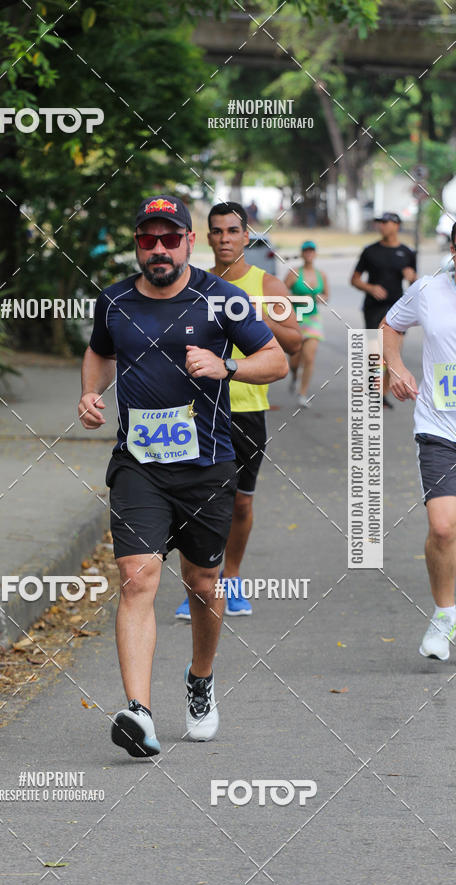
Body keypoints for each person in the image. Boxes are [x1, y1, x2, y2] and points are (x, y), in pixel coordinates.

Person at [79, 195, 288, 757]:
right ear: (138, 245)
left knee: (202, 584)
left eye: (170, 239)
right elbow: (99, 352)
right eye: (149, 239)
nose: (159, 249)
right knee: (137, 577)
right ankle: (139, 713)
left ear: (189, 242)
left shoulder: (223, 298)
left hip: (207, 466)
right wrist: (91, 393)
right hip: (138, 465)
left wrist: (228, 365)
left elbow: (276, 360)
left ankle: (200, 679)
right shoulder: (114, 300)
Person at [175, 201, 301, 618]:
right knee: (197, 501)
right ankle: (199, 583)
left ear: (247, 236)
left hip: (247, 410)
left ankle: (232, 578)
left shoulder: (267, 284)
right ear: (205, 237)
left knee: (241, 503)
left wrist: (253, 313)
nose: (225, 239)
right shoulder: (192, 283)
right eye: (217, 231)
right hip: (199, 410)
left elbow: (294, 342)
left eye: (233, 231)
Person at [381, 220, 456, 661]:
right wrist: (396, 367)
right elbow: (390, 326)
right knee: (443, 527)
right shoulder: (429, 289)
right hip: (439, 427)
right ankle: (444, 614)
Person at [350, 212, 417, 408]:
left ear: (397, 225)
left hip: (397, 309)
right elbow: (354, 279)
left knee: (392, 354)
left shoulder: (407, 252)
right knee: (375, 352)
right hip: (373, 307)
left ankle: (383, 395)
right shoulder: (370, 251)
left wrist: (412, 277)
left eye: (386, 223)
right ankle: (374, 392)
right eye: (380, 223)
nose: (382, 226)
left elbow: (415, 283)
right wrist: (370, 288)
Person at [284, 240, 329, 408]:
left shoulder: (321, 274)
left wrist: (322, 298)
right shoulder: (294, 273)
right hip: (295, 319)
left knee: (309, 357)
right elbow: (280, 294)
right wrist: (298, 299)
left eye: (312, 251)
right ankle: (295, 375)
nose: (309, 253)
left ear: (315, 254)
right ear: (302, 254)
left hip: (312, 319)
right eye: (306, 251)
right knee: (294, 361)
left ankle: (302, 393)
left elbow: (327, 294)